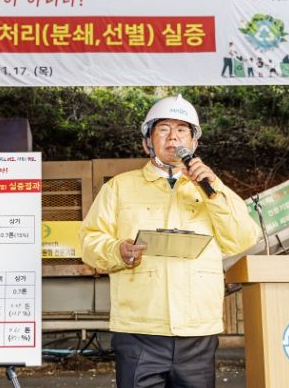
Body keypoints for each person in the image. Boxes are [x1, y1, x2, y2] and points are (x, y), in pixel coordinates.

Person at [79, 94, 259, 388]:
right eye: (163, 129)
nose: (173, 137)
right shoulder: (119, 188)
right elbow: (89, 241)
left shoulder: (212, 188)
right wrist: (117, 251)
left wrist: (214, 191)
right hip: (139, 329)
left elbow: (243, 237)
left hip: (197, 331)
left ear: (194, 143)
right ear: (147, 142)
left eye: (182, 130)